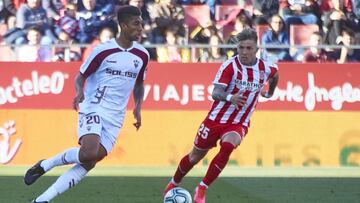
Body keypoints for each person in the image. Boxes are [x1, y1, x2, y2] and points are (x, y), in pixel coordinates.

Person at [24, 5, 149, 203]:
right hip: (94, 106)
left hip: (116, 116)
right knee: (88, 152)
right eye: (136, 24)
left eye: (141, 23)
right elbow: (81, 76)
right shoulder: (103, 51)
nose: (141, 28)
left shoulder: (142, 55)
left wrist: (138, 107)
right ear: (123, 25)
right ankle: (47, 166)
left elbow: (140, 83)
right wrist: (79, 92)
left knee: (90, 161)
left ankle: (41, 199)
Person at [163, 28, 279, 203]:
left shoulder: (265, 68)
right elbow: (215, 92)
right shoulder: (230, 66)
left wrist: (270, 91)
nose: (244, 52)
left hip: (239, 122)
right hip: (215, 119)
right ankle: (173, 183)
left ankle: (202, 188)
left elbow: (275, 74)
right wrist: (230, 97)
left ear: (257, 49)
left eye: (249, 48)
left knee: (228, 146)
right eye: (241, 48)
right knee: (194, 157)